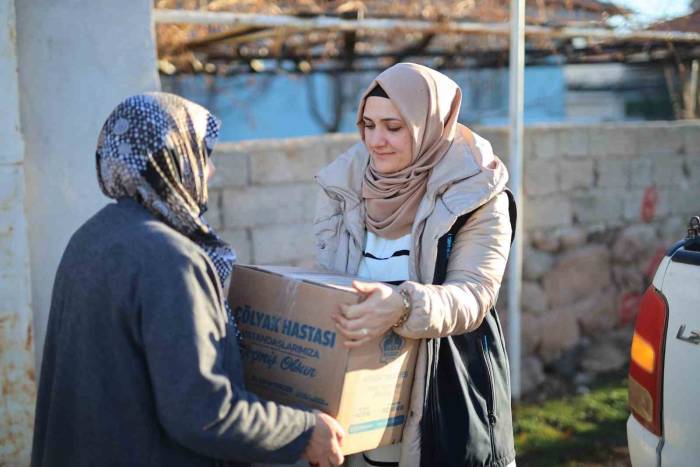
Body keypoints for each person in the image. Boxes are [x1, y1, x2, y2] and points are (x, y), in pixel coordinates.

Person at [31, 92, 345, 467]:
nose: (209, 171)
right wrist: (303, 431)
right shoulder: (170, 259)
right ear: (174, 158)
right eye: (203, 154)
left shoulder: (89, 238)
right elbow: (202, 411)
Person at [314, 63, 516, 467]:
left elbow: (474, 295)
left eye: (393, 126)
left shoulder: (477, 192)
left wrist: (403, 306)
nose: (376, 141)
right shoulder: (343, 186)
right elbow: (328, 284)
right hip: (358, 405)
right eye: (368, 125)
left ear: (429, 124)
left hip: (441, 393)